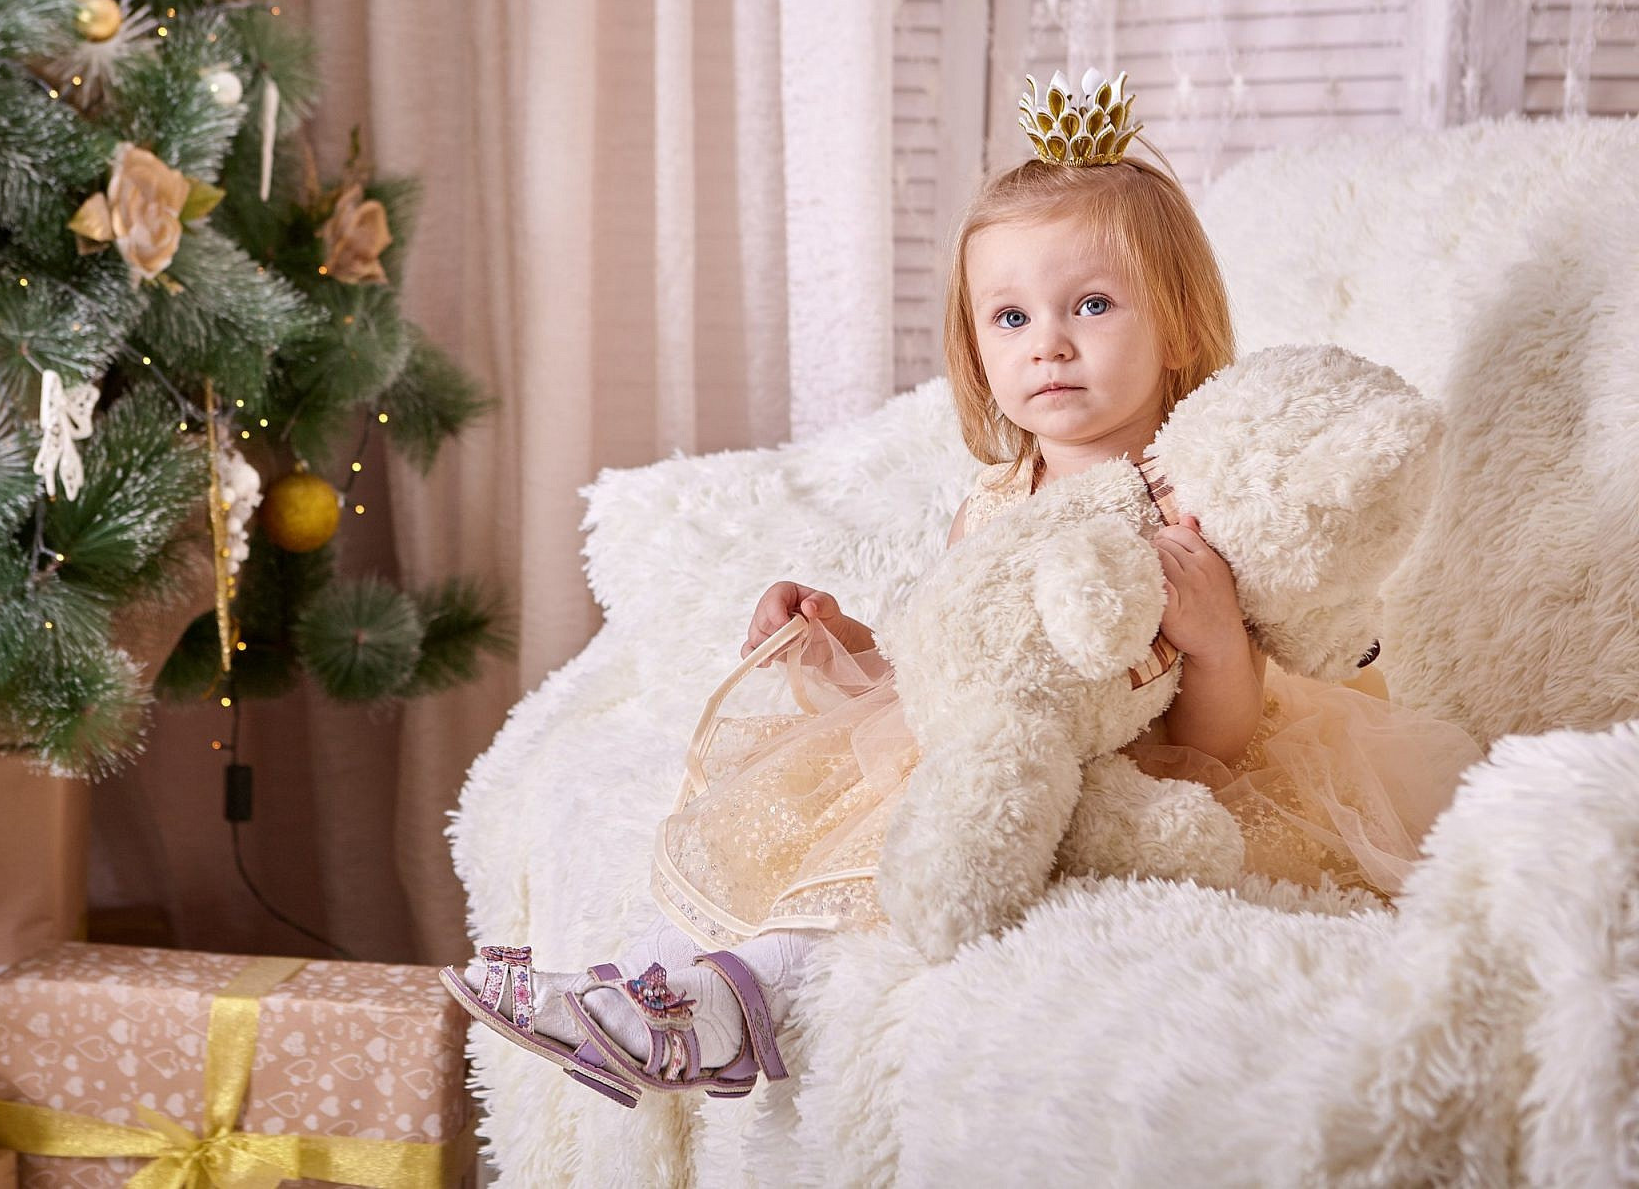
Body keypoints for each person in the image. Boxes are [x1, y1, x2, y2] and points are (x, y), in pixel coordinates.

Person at [439, 68, 1483, 1108]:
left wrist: (1211, 639)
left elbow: (1213, 749)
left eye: (1090, 304)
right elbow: (946, 672)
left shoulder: (1193, 499)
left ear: (1175, 323)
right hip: (999, 746)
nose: (1049, 344)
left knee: (911, 824)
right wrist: (834, 647)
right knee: (821, 808)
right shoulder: (996, 497)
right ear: (975, 344)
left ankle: (714, 1008)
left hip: (1134, 778)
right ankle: (661, 991)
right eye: (1010, 318)